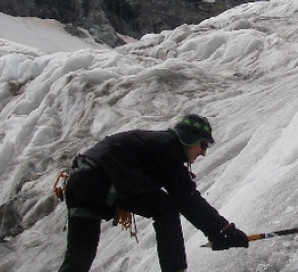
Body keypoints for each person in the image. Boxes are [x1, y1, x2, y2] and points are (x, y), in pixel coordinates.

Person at [58, 114, 249, 272]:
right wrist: (224, 231)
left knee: (79, 259)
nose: (203, 153)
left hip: (79, 184)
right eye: (203, 145)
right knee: (166, 208)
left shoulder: (155, 145)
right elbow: (187, 199)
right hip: (101, 180)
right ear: (189, 138)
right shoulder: (168, 147)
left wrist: (219, 232)